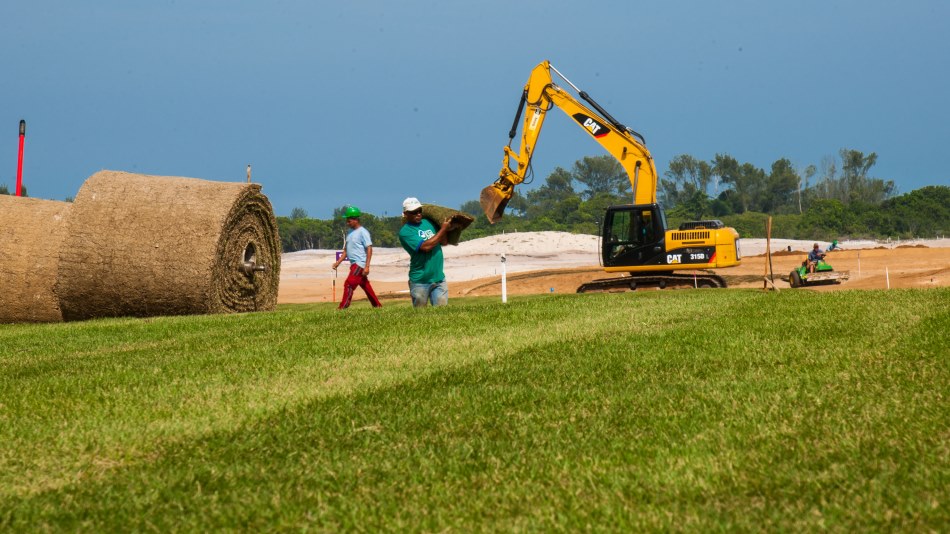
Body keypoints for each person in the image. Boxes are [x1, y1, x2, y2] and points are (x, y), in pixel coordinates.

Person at [398, 197, 456, 307]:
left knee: (442, 314)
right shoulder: (405, 232)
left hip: (439, 278)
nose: (418, 214)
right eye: (414, 212)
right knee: (421, 316)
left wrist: (445, 228)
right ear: (406, 214)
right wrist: (443, 229)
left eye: (419, 211)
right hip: (420, 280)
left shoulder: (428, 223)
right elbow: (426, 247)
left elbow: (443, 242)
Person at [332, 206, 382, 309]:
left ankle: (343, 307)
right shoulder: (350, 233)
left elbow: (369, 248)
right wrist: (338, 262)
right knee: (366, 286)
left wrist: (367, 266)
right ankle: (377, 306)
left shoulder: (363, 232)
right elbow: (346, 250)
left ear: (356, 219)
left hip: (359, 264)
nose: (347, 223)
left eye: (349, 221)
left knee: (349, 284)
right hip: (354, 264)